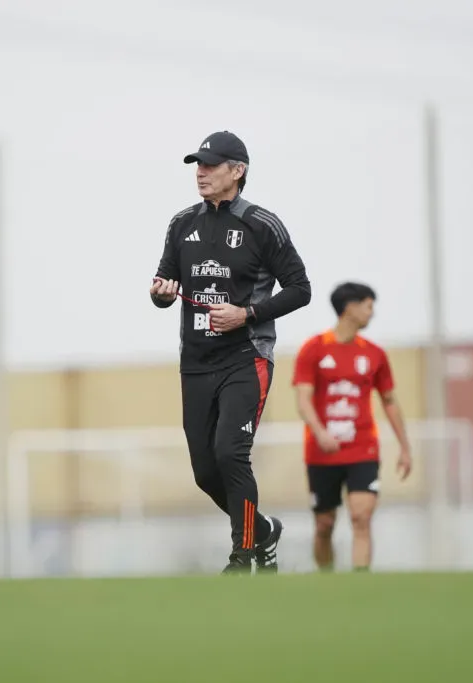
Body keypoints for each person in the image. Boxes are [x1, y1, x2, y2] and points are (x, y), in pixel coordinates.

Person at [150, 131, 312, 574]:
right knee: (205, 472)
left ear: (237, 171)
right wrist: (162, 293)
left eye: (210, 165)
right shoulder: (182, 223)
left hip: (247, 357)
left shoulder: (262, 224)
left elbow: (301, 289)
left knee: (230, 454)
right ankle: (263, 530)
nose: (200, 173)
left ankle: (243, 556)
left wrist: (247, 313)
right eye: (197, 165)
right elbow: (165, 284)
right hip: (196, 362)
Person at [292, 283, 412, 572]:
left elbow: (390, 401)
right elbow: (303, 398)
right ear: (350, 307)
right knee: (324, 523)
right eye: (369, 305)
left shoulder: (374, 354)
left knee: (361, 516)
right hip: (322, 451)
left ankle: (360, 584)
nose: (372, 313)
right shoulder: (314, 348)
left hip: (362, 448)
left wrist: (405, 447)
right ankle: (327, 581)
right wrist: (320, 432)